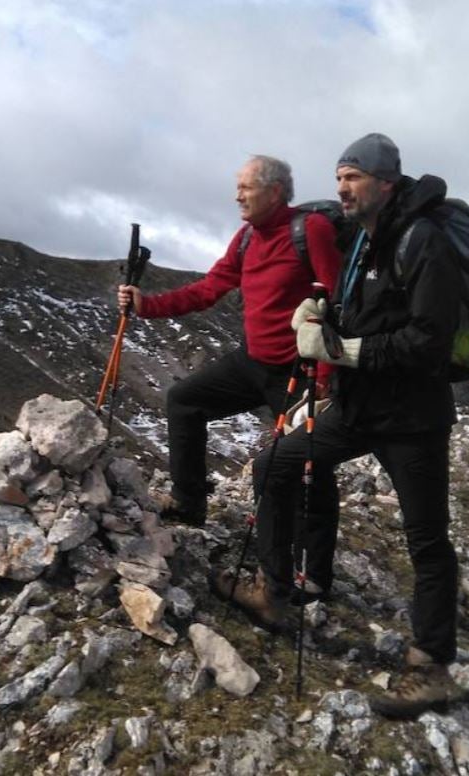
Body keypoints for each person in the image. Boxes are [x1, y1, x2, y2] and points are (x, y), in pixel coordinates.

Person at [210, 134, 464, 719]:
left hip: (413, 420)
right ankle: (275, 595)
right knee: (274, 463)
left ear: (385, 182)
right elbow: (364, 314)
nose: (342, 188)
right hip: (357, 410)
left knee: (426, 540)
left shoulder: (422, 241)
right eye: (339, 177)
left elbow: (430, 339)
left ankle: (431, 668)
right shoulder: (366, 242)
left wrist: (347, 350)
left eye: (353, 177)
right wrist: (322, 322)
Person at [117, 155, 342, 598]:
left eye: (245, 187)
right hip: (253, 361)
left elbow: (338, 299)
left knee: (311, 466)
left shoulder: (309, 230)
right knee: (185, 399)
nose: (236, 194)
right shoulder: (246, 238)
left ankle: (315, 574)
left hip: (299, 370)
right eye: (237, 186)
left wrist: (326, 372)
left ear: (275, 191)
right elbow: (209, 288)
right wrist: (148, 306)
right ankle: (189, 501)